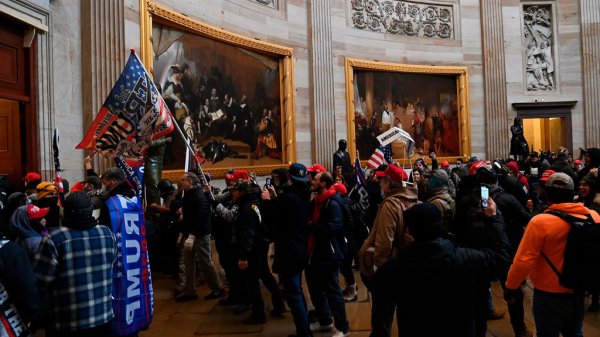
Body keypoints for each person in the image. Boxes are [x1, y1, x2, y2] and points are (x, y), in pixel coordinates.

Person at [377, 201, 510, 337]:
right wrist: (494, 219)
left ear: (409, 232)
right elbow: (501, 258)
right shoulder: (467, 259)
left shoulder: (393, 268)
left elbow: (381, 317)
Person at [505, 173, 600, 337]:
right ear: (572, 194)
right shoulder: (594, 217)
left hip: (548, 293)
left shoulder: (540, 222)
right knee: (576, 332)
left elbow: (524, 260)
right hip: (578, 290)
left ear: (546, 195)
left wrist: (511, 287)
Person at [33, 192, 116, 337]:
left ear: (65, 213)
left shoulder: (54, 238)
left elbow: (41, 280)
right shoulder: (107, 233)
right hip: (103, 316)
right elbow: (112, 262)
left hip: (67, 322)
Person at [359, 164, 418, 337]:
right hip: (406, 264)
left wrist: (378, 270)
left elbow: (384, 243)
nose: (378, 182)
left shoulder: (390, 204)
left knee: (382, 315)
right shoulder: (412, 198)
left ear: (389, 182)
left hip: (389, 267)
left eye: (382, 179)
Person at [261, 163, 312, 337]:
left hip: (289, 250)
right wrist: (276, 200)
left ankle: (304, 333)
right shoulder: (304, 197)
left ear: (289, 178)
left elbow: (273, 220)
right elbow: (288, 214)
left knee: (294, 295)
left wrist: (268, 202)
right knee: (297, 290)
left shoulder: (288, 198)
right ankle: (304, 330)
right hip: (300, 247)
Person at [307, 171, 350, 337]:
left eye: (316, 180)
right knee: (316, 290)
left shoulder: (332, 203)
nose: (312, 182)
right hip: (315, 253)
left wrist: (311, 225)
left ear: (323, 183)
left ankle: (342, 328)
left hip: (329, 253)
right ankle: (325, 321)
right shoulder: (316, 201)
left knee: (333, 292)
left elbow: (332, 228)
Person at [176, 172, 225, 301]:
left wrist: (192, 235)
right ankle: (190, 291)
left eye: (183, 179)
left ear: (190, 181)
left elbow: (203, 217)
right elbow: (187, 217)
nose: (180, 181)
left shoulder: (199, 195)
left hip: (200, 234)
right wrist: (182, 233)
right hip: (190, 233)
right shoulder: (188, 194)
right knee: (188, 263)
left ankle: (218, 288)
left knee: (205, 263)